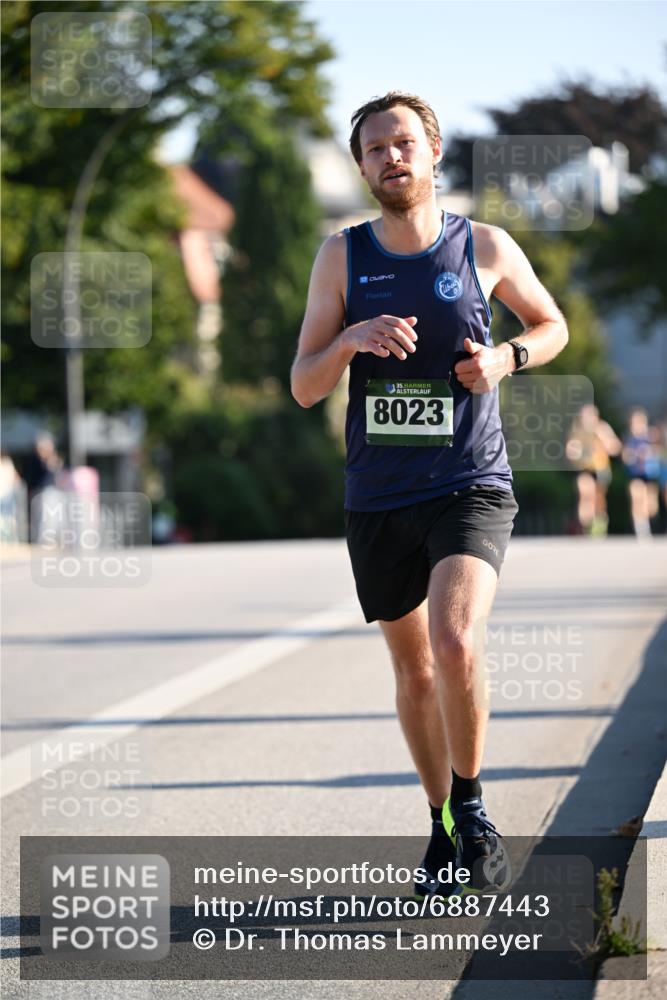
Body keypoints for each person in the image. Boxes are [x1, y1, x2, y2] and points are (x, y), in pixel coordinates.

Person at [290, 92, 568, 896]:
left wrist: (507, 359)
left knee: (453, 644)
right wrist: (346, 341)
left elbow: (550, 324)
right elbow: (306, 387)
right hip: (378, 494)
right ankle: (443, 822)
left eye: (403, 143)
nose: (391, 159)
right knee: (414, 674)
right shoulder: (340, 258)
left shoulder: (481, 246)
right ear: (361, 166)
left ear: (433, 151)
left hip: (468, 483)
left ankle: (474, 811)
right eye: (374, 150)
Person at [565, 404, 621, 536]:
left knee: (598, 498)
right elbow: (570, 451)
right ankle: (585, 525)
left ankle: (599, 521)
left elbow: (616, 448)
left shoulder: (602, 428)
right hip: (584, 468)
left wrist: (603, 439)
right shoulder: (576, 430)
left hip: (601, 468)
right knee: (585, 494)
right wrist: (574, 452)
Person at [622, 407, 661, 539]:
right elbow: (625, 456)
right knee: (637, 496)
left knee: (651, 507)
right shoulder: (629, 440)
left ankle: (647, 519)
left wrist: (651, 451)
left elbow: (660, 452)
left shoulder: (652, 437)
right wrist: (634, 455)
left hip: (651, 475)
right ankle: (641, 527)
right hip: (635, 475)